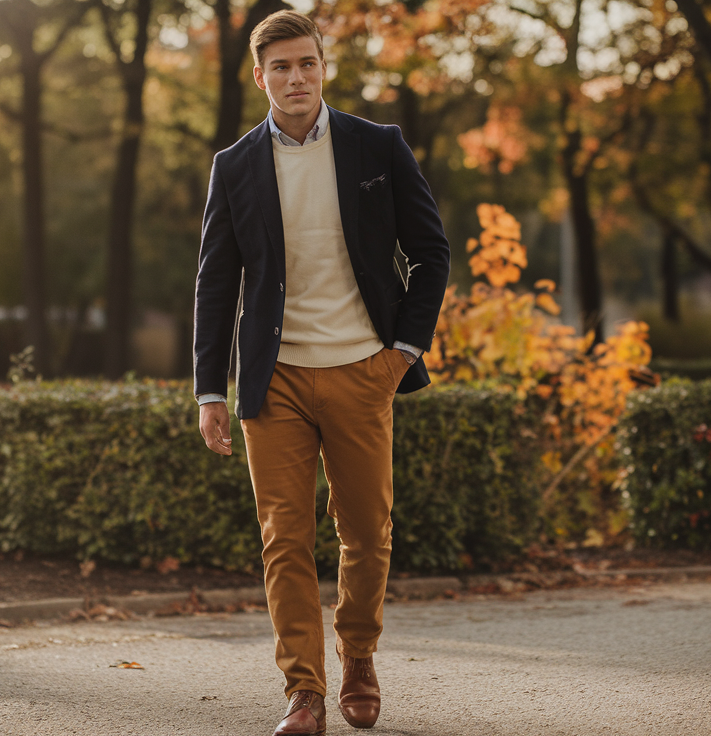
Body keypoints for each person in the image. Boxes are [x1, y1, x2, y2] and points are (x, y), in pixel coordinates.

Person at [192, 10, 450, 735]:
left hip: (363, 370)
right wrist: (211, 388)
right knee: (284, 536)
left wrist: (403, 352)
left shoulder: (377, 146)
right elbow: (216, 284)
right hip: (272, 383)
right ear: (260, 76)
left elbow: (432, 253)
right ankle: (303, 692)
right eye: (281, 67)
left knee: (366, 532)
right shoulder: (235, 165)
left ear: (322, 67)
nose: (295, 78)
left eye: (306, 63)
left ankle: (359, 658)